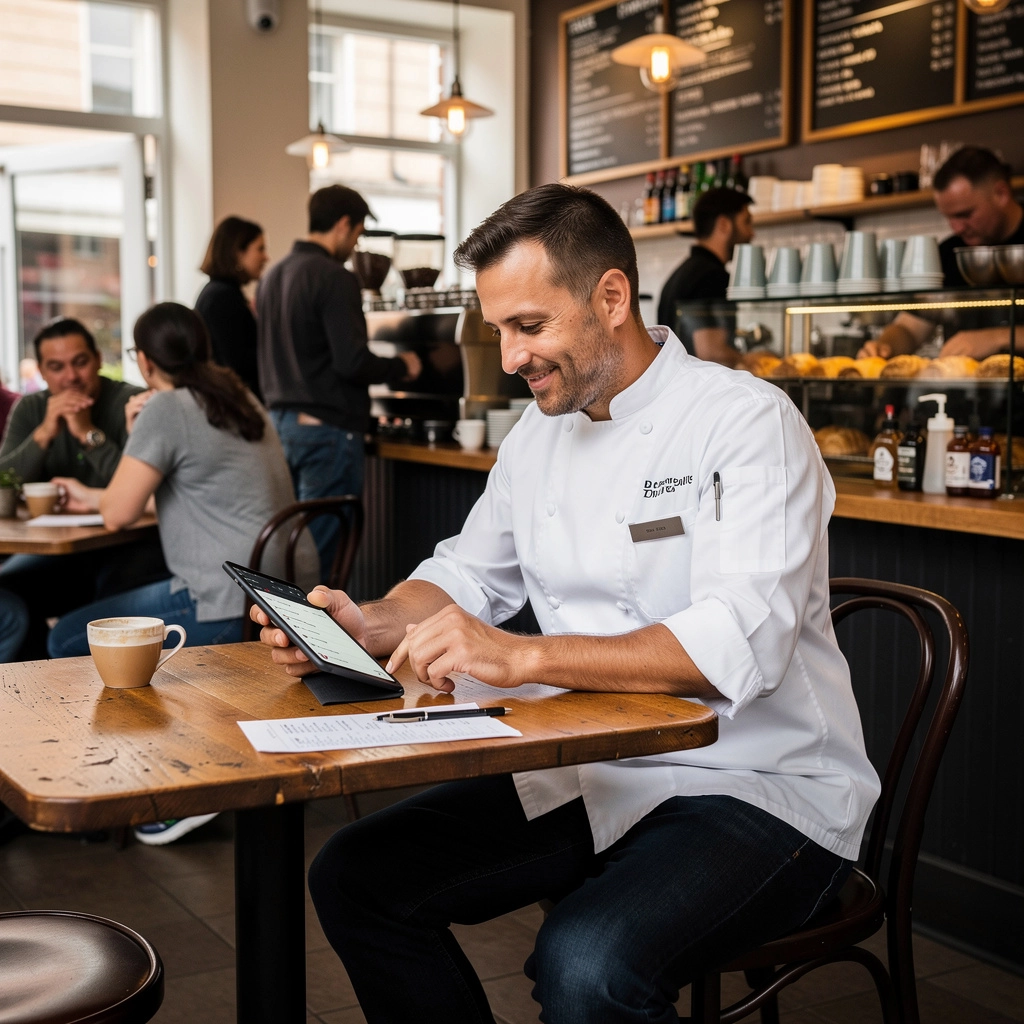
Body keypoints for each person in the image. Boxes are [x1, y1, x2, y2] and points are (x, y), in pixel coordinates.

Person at [253, 183, 880, 1024]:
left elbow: (741, 644)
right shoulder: (538, 435)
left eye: (529, 326)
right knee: (355, 876)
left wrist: (522, 657)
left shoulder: (744, 422)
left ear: (611, 297)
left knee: (586, 961)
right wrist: (371, 622)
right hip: (592, 768)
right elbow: (467, 574)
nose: (509, 358)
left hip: (760, 785)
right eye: (499, 329)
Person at [48, 302, 315, 845]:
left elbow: (120, 512)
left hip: (224, 596)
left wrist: (132, 434)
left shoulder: (167, 408)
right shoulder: (237, 397)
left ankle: (173, 778)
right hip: (285, 591)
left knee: (67, 637)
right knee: (112, 607)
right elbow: (183, 492)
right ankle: (166, 761)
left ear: (144, 360)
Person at [257, 185, 422, 577]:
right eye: (359, 234)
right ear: (344, 225)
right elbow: (351, 362)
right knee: (322, 561)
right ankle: (315, 638)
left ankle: (281, 635)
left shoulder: (272, 276)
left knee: (292, 549)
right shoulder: (334, 277)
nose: (356, 245)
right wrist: (403, 365)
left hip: (280, 428)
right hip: (327, 432)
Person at [0, 318, 166, 661]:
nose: (71, 377)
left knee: (109, 600)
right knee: (9, 594)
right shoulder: (31, 409)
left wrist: (87, 434)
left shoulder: (132, 401)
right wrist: (44, 433)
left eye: (80, 362)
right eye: (56, 367)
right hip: (59, 553)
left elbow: (141, 491)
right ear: (43, 373)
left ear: (98, 359)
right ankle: (36, 688)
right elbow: (4, 481)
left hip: (131, 546)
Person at [860, 146, 1024, 360]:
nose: (957, 227)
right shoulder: (948, 253)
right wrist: (884, 347)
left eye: (965, 214)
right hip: (965, 390)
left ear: (1001, 194)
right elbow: (910, 327)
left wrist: (999, 337)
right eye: (949, 218)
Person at [656, 187, 754, 367]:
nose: (751, 233)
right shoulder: (713, 277)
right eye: (746, 222)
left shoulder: (681, 273)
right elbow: (712, 352)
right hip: (702, 392)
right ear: (724, 224)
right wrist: (753, 361)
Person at [195, 216, 268, 400]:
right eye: (260, 249)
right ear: (237, 253)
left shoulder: (218, 293)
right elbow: (238, 364)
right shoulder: (223, 297)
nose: (266, 257)